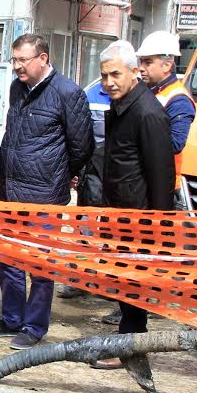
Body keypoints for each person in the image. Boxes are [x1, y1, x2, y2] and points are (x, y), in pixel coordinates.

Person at [0, 33, 92, 350]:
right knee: (8, 259)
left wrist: (58, 171)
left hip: (46, 194)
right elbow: (13, 134)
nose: (16, 66)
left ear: (42, 58)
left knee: (41, 264)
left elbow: (82, 146)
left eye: (22, 60)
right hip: (11, 191)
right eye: (13, 60)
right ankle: (11, 319)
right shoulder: (18, 88)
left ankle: (34, 326)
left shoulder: (68, 93)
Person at [88, 41, 175, 369]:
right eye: (104, 75)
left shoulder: (147, 112)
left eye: (115, 74)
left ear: (135, 72)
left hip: (140, 218)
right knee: (123, 282)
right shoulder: (122, 106)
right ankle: (128, 342)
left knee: (134, 284)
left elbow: (160, 173)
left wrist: (159, 226)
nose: (109, 82)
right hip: (118, 211)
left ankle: (131, 347)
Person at [59, 78, 110, 300]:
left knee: (114, 232)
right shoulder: (91, 93)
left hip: (121, 178)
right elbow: (79, 137)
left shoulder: (140, 95)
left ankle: (108, 283)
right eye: (104, 74)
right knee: (85, 230)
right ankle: (81, 280)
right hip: (92, 173)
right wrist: (77, 170)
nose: (108, 80)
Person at [136, 30, 195, 159]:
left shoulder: (179, 100)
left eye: (148, 62)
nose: (141, 67)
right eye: (141, 61)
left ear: (167, 65)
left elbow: (175, 144)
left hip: (163, 177)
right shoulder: (153, 90)